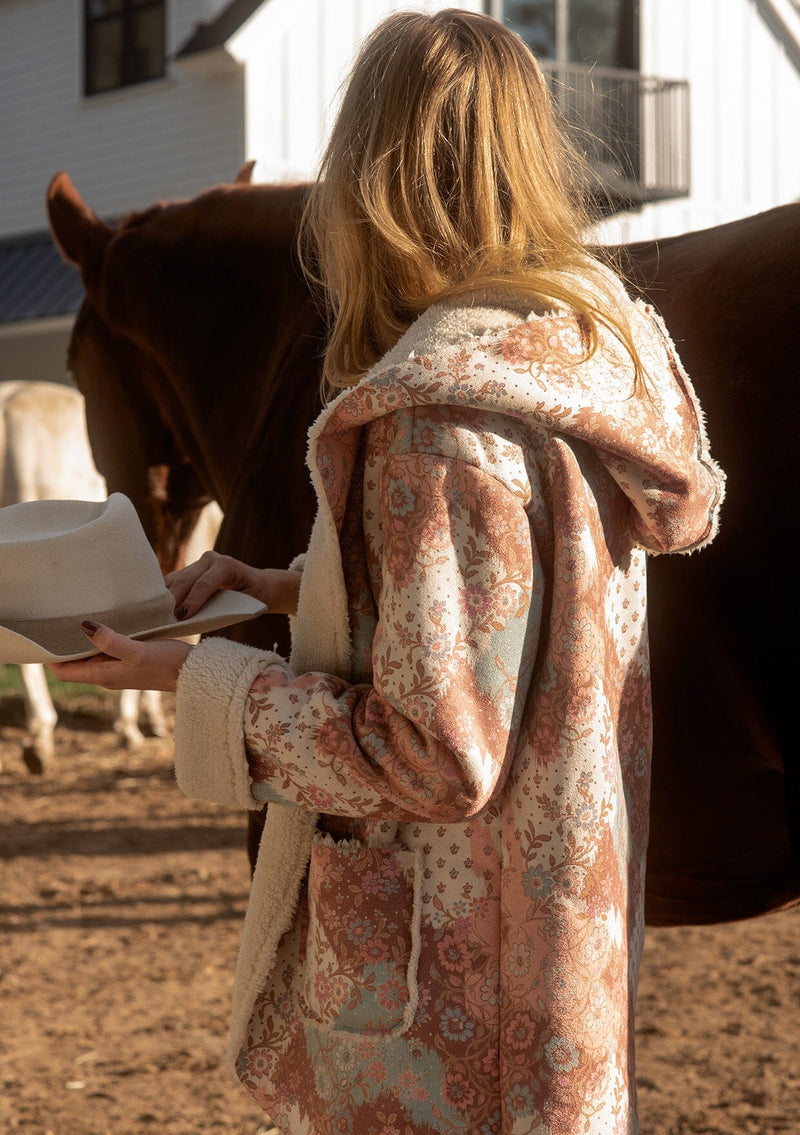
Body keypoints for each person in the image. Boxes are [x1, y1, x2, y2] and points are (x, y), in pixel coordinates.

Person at [51, 9, 725, 1134]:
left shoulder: (435, 424)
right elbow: (509, 609)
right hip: (558, 954)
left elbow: (434, 752)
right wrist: (288, 586)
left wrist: (198, 684)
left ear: (373, 177)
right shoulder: (570, 367)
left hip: (451, 1010)